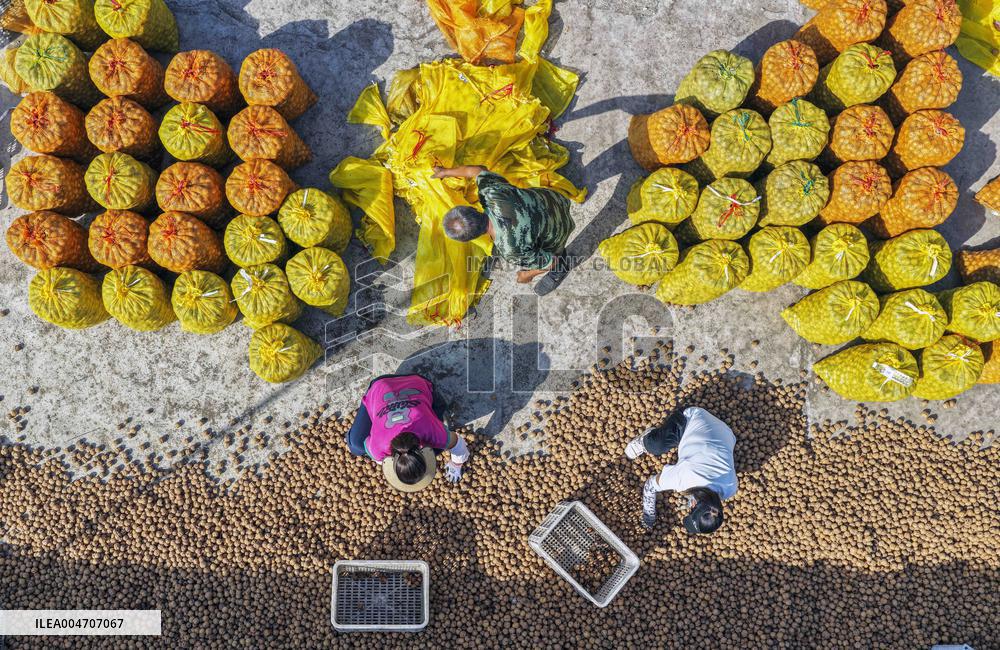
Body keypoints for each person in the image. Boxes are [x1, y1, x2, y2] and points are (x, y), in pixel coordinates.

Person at [432, 165, 575, 290]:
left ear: (474, 238)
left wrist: (528, 274)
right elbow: (478, 170)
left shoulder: (510, 250)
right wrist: (444, 172)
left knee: (549, 256)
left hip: (560, 230)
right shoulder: (491, 193)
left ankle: (561, 269)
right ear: (473, 209)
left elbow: (550, 262)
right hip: (555, 200)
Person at [345, 373, 469, 492]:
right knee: (355, 445)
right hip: (382, 386)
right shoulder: (377, 448)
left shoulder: (434, 433)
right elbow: (380, 459)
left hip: (414, 382)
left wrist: (456, 465)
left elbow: (458, 443)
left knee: (437, 447)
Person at [625, 406, 738, 534]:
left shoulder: (731, 488)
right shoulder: (682, 479)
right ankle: (643, 442)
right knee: (657, 445)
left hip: (727, 433)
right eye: (691, 510)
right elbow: (650, 485)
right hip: (693, 417)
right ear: (694, 504)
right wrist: (648, 516)